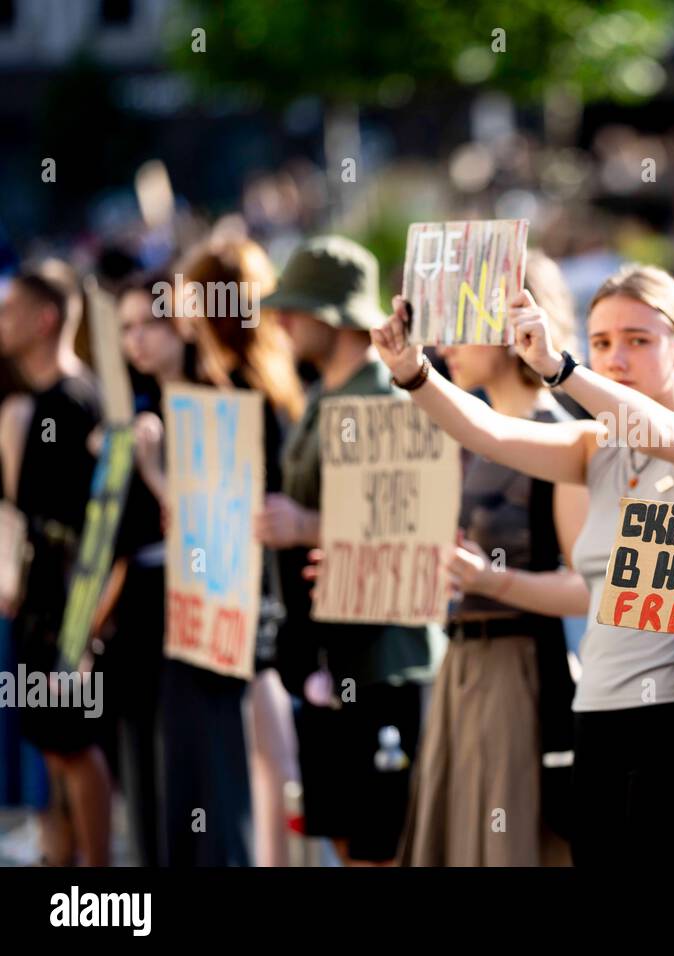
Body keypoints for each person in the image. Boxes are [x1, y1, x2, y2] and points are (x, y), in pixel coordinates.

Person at [372, 262, 674, 866]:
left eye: (637, 340)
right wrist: (413, 372)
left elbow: (653, 427)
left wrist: (562, 369)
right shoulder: (594, 449)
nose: (615, 358)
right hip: (596, 721)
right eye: (601, 343)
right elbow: (488, 432)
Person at [398, 251, 589, 867]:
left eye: (459, 319)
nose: (444, 340)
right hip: (459, 666)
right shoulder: (458, 435)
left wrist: (493, 580)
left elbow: (592, 589)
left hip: (519, 672)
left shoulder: (559, 433)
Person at [257, 235, 435, 866]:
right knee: (344, 833)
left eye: (295, 308)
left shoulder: (384, 397)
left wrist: (308, 525)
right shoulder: (324, 395)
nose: (280, 321)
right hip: (330, 651)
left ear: (332, 315)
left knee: (379, 843)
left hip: (380, 656)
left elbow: (412, 526)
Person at [115, 273, 255, 867]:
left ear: (183, 325)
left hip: (205, 623)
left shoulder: (223, 405)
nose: (136, 341)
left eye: (148, 323)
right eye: (125, 329)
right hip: (143, 624)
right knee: (152, 787)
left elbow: (214, 533)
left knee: (204, 786)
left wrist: (152, 469)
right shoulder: (140, 411)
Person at [178, 236, 304, 867]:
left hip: (248, 579)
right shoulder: (273, 375)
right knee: (268, 733)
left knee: (261, 734)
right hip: (267, 577)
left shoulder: (229, 387)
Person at [0, 266, 109, 866]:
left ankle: (98, 879)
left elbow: (93, 530)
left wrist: (82, 631)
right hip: (38, 605)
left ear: (46, 320)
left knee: (76, 746)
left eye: (11, 308)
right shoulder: (40, 401)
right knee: (51, 745)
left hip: (70, 612)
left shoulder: (74, 402)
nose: (2, 320)